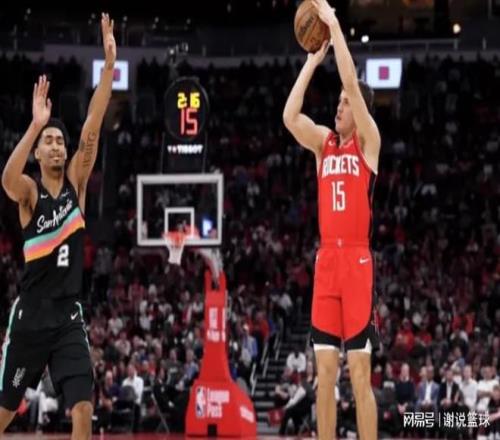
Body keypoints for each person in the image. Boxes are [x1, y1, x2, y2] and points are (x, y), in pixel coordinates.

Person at [0, 13, 116, 440]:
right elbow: (7, 180)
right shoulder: (30, 192)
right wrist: (35, 125)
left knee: (83, 406)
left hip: (68, 316)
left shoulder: (76, 185)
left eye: (59, 141)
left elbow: (93, 123)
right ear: (38, 152)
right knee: (4, 412)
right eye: (48, 141)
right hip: (30, 318)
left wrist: (108, 67)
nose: (55, 145)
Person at [283, 0, 381, 438]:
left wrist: (335, 25)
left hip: (357, 264)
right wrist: (311, 62)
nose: (338, 107)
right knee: (324, 376)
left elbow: (351, 85)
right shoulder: (324, 144)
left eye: (344, 104)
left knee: (359, 375)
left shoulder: (368, 143)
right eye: (338, 103)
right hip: (327, 264)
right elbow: (290, 116)